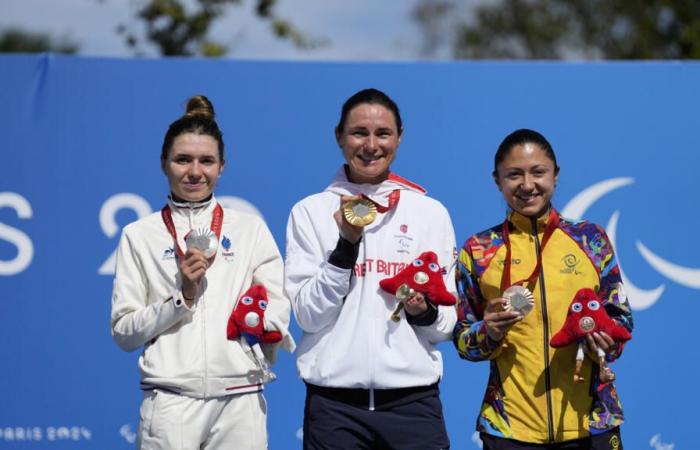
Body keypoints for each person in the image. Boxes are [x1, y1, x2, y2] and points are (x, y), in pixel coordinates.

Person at [110, 95, 294, 450]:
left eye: (206, 161)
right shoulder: (139, 234)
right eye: (183, 160)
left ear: (222, 166)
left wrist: (259, 322)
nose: (195, 171)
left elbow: (278, 308)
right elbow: (123, 332)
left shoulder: (250, 229)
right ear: (164, 163)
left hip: (241, 401)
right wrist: (182, 298)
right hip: (171, 401)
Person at [285, 88, 456, 450]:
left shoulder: (430, 213)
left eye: (383, 134)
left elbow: (444, 326)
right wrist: (346, 246)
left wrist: (423, 311)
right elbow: (308, 317)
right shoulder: (310, 212)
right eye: (359, 133)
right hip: (335, 409)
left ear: (399, 138)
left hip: (413, 405)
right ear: (339, 137)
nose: (371, 145)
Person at [454, 129, 634, 449]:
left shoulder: (590, 240)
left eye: (538, 172)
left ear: (555, 175)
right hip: (509, 430)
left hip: (592, 424)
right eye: (514, 175)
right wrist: (489, 332)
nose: (527, 185)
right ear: (497, 180)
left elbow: (621, 321)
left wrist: (603, 343)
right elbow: (464, 341)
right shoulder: (479, 250)